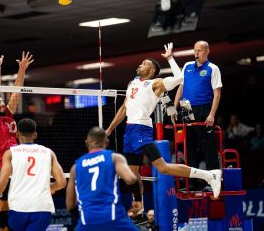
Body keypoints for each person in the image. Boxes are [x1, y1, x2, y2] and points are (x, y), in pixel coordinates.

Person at [105, 42, 222, 210]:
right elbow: (123, 108)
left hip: (142, 129)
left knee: (163, 168)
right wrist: (109, 130)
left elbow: (180, 79)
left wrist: (170, 59)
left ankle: (209, 175)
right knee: (132, 173)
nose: (140, 64)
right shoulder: (133, 83)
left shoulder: (156, 84)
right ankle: (139, 210)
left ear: (152, 70)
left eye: (144, 63)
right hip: (129, 130)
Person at [0, 48, 34, 231]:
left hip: (17, 168)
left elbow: (16, 92)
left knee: (9, 213)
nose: (1, 101)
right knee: (6, 210)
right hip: (0, 169)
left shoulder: (9, 116)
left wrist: (21, 70)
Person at [0, 118, 67, 231]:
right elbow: (61, 182)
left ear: (17, 134)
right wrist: (51, 187)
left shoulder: (11, 153)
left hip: (18, 207)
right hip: (41, 208)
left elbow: (2, 181)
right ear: (35, 134)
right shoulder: (49, 153)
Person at [66, 126, 142, 231]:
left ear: (87, 143)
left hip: (87, 221)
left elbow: (69, 204)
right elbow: (131, 179)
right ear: (106, 142)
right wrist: (138, 199)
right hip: (113, 217)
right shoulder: (114, 158)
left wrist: (86, 218)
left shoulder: (75, 167)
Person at [172, 40, 222, 190]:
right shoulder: (187, 66)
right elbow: (180, 88)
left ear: (207, 51)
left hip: (204, 110)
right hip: (186, 109)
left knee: (208, 147)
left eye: (200, 50)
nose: (196, 53)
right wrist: (174, 108)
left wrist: (212, 114)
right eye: (195, 50)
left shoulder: (213, 68)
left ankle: (212, 183)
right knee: (189, 147)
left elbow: (217, 93)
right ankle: (191, 184)